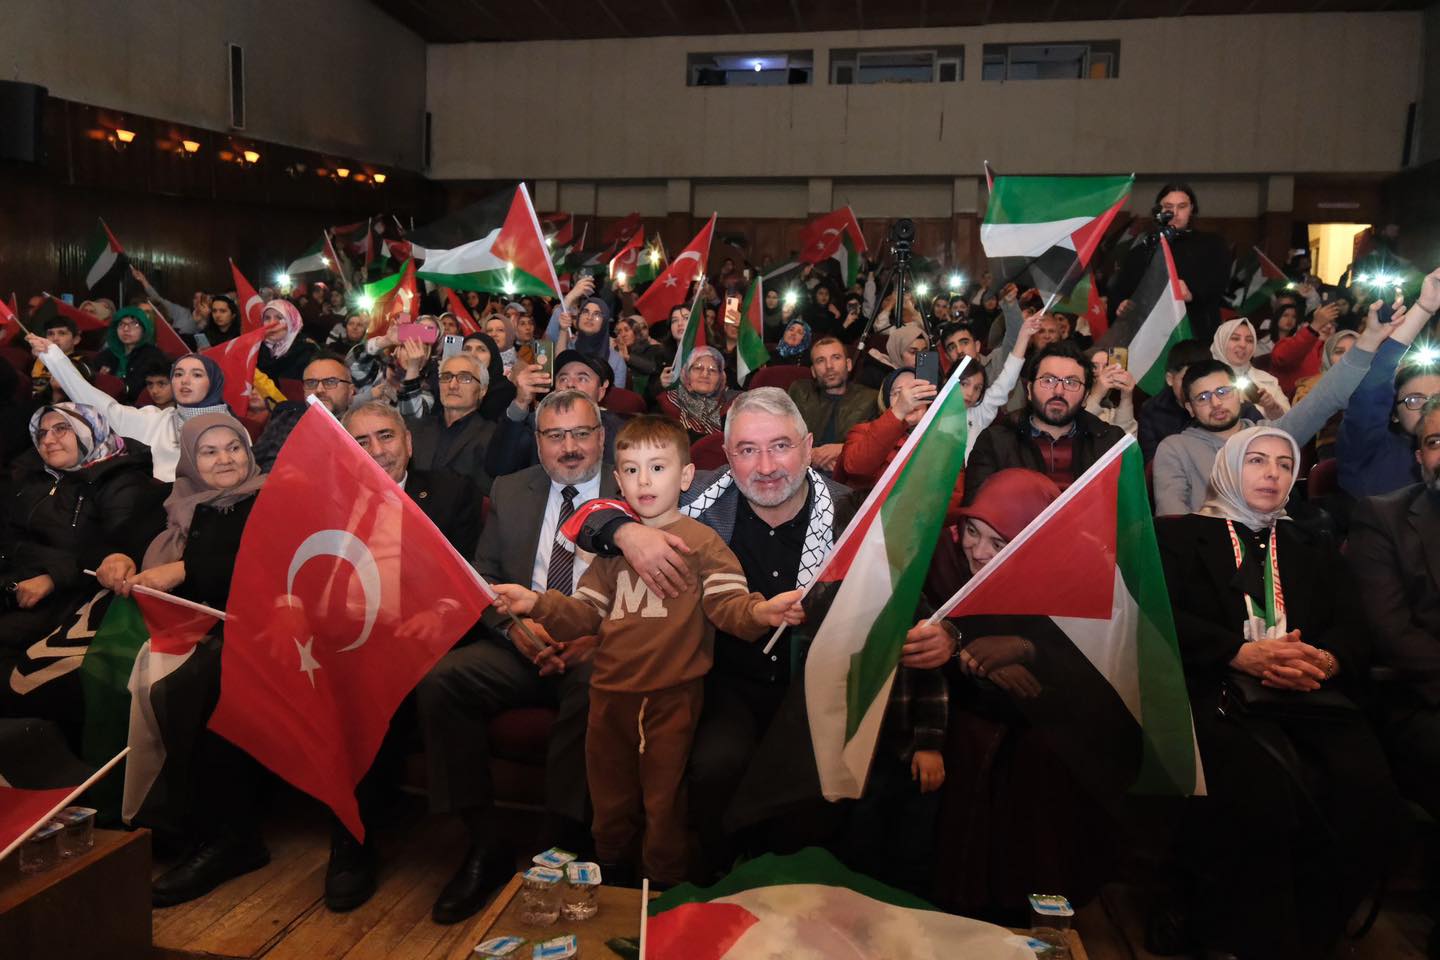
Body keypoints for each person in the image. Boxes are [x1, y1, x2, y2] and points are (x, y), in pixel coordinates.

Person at [570, 388, 958, 879]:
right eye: (748, 450)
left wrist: (948, 637)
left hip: (814, 691)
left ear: (808, 446)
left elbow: (917, 601)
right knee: (715, 763)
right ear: (726, 456)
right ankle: (714, 878)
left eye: (780, 446)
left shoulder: (851, 513)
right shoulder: (696, 497)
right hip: (724, 682)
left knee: (817, 804)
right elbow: (594, 512)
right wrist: (626, 532)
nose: (766, 466)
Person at [494, 416, 805, 886]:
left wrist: (763, 612)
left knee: (663, 799)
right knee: (609, 795)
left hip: (671, 696)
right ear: (617, 481)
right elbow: (584, 616)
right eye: (632, 470)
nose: (644, 482)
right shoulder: (610, 550)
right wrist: (535, 603)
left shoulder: (703, 543)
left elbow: (728, 606)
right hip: (608, 694)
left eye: (658, 468)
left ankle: (662, 883)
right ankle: (613, 871)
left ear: (685, 476)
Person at [1155, 427, 1409, 958]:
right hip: (1216, 686)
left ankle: (1311, 933)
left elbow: (1353, 626)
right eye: (1256, 461)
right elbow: (1158, 618)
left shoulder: (1310, 543)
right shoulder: (1177, 539)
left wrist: (1323, 660)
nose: (1272, 474)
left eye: (1284, 464)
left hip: (1310, 693)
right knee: (1261, 796)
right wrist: (1237, 652)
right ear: (1228, 468)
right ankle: (1233, 935)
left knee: (1371, 797)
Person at [416, 389, 616, 923]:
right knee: (442, 681)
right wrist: (514, 630)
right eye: (555, 435)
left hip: (595, 645)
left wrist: (598, 637)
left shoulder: (631, 488)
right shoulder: (510, 489)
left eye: (581, 433)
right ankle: (484, 842)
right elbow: (481, 577)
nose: (569, 447)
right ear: (537, 441)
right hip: (521, 642)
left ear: (602, 438)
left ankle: (565, 841)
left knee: (596, 683)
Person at [104, 415, 270, 907]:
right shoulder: (176, 501)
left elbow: (263, 565)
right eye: (209, 452)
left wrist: (185, 569)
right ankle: (141, 824)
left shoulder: (271, 499)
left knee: (190, 685)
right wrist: (118, 558)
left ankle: (229, 839)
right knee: (100, 670)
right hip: (177, 625)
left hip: (253, 625)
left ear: (249, 452)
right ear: (190, 462)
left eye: (234, 447)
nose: (225, 459)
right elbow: (120, 540)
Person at [1153, 301, 1407, 516]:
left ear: (1238, 394)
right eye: (1203, 398)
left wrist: (1371, 338)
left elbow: (1326, 397)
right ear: (1189, 408)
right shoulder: (1175, 448)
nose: (1216, 403)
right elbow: (1172, 522)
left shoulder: (1268, 436)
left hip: (1276, 545)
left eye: (1222, 392)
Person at [0, 404, 163, 736]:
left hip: (77, 595)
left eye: (61, 429)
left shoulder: (121, 481)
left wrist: (54, 576)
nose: (48, 440)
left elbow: (117, 551)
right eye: (41, 433)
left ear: (89, 431)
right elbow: (10, 537)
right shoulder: (34, 478)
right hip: (20, 579)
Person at [1348, 398, 1440, 883]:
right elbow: (1392, 634)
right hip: (1420, 698)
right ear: (1419, 456)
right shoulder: (1383, 518)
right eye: (1435, 442)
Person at [28, 335, 232, 482]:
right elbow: (100, 405)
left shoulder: (231, 430)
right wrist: (54, 358)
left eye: (196, 374)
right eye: (178, 374)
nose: (184, 381)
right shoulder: (157, 419)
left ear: (213, 382)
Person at [964, 341, 1126, 500]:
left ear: (1085, 397)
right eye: (1048, 380)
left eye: (1071, 382)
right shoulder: (995, 442)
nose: (1059, 391)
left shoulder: (1111, 444)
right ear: (1029, 390)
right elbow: (976, 508)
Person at [1335, 267, 1440, 498]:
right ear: (1394, 414)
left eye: (1438, 399)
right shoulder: (1367, 449)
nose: (1430, 408)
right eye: (1415, 400)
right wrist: (1424, 308)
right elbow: (1371, 389)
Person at [343, 403, 481, 557]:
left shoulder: (452, 496)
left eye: (386, 436)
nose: (377, 451)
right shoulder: (334, 507)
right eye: (362, 443)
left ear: (408, 442)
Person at [1107, 183, 1232, 340]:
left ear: (1192, 209)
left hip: (1195, 333)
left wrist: (1192, 294)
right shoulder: (1141, 250)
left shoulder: (1212, 244)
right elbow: (1119, 291)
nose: (1175, 213)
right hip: (1149, 336)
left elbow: (1219, 284)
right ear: (1158, 210)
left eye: (1182, 206)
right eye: (1168, 207)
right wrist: (1121, 304)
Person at [485, 350, 623, 478]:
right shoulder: (535, 424)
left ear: (601, 391)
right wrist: (521, 403)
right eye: (563, 379)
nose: (570, 385)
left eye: (582, 378)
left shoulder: (619, 432)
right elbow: (498, 468)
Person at [405, 353, 495, 496]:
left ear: (482, 390)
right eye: (446, 377)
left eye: (465, 378)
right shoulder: (417, 429)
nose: (452, 385)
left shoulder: (492, 436)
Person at [786, 336, 877, 472]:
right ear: (813, 371)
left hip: (848, 476)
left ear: (849, 364)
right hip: (802, 473)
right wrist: (809, 456)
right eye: (820, 360)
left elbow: (878, 443)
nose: (829, 366)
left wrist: (842, 449)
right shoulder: (800, 393)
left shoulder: (870, 399)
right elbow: (780, 438)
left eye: (836, 358)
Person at [1137, 339, 1218, 462]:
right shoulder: (1152, 411)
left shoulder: (1221, 404)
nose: (1194, 387)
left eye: (1200, 378)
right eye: (1186, 379)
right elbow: (1151, 463)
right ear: (1170, 379)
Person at [1291, 329, 1359, 460]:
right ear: (1328, 356)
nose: (1347, 357)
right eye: (1339, 352)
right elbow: (1300, 423)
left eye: (1354, 351)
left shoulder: (1376, 381)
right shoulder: (1311, 385)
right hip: (1333, 446)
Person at [1210, 317, 1289, 416]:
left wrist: (1272, 407)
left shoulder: (1268, 379)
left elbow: (1292, 420)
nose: (1243, 345)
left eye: (1249, 340)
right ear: (1221, 342)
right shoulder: (1205, 381)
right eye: (1235, 338)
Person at [657, 346, 737, 440]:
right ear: (686, 373)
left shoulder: (734, 408)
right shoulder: (667, 404)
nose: (705, 375)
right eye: (698, 368)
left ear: (721, 377)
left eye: (712, 370)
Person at [95, 306, 169, 402]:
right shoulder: (107, 354)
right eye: (121, 324)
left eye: (134, 324)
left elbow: (141, 388)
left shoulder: (153, 356)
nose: (126, 329)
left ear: (144, 329)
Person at [556, 297, 626, 388]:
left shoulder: (616, 361)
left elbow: (615, 395)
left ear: (604, 321)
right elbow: (558, 370)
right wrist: (563, 330)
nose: (589, 317)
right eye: (585, 312)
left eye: (597, 314)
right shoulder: (568, 347)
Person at [459, 331, 518, 421]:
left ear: (492, 356)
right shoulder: (452, 383)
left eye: (481, 350)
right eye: (467, 349)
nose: (472, 355)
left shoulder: (505, 390)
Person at [256, 299, 319, 382]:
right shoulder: (257, 350)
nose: (271, 323)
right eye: (267, 318)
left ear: (291, 321)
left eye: (279, 318)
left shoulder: (307, 352)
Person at [1082, 347, 1138, 436]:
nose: (1101, 372)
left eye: (1107, 366)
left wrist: (1126, 397)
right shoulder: (1073, 402)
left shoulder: (1112, 411)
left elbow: (1127, 440)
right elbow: (1077, 428)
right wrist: (1097, 394)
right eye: (1094, 367)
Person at [29, 314, 83, 404]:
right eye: (50, 334)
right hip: (33, 404)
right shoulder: (39, 358)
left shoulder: (82, 362)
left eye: (62, 333)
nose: (55, 338)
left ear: (76, 340)